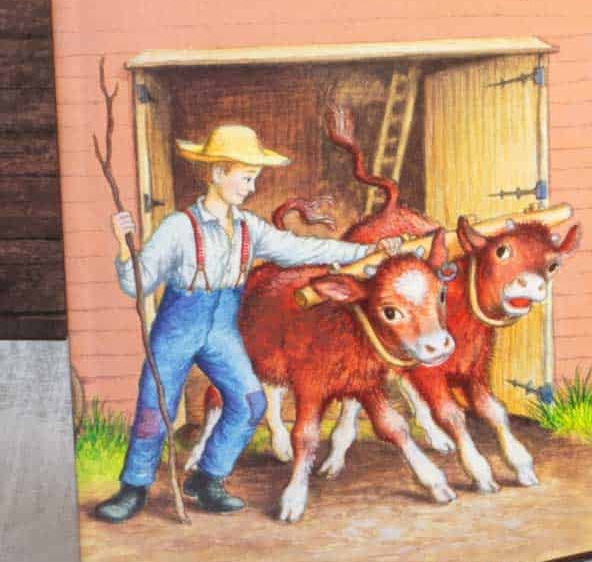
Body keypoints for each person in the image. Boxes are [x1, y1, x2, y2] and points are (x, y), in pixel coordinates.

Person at [95, 123, 407, 522]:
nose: (251, 187)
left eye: (254, 178)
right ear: (217, 174)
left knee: (249, 402)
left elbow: (301, 249)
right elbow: (135, 284)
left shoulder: (248, 228)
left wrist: (364, 251)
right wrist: (124, 248)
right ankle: (133, 487)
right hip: (179, 321)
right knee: (155, 405)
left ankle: (207, 479)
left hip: (223, 324)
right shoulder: (178, 228)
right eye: (245, 177)